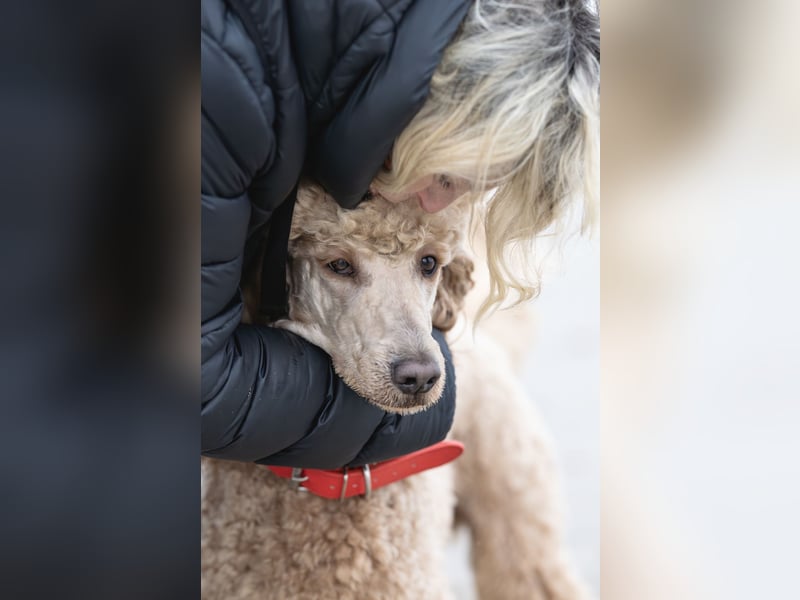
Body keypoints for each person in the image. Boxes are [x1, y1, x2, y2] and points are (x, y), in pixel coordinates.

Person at [201, 0, 599, 469]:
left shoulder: (311, 70)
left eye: (428, 263)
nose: (433, 204)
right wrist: (420, 419)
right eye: (445, 176)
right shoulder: (221, 92)